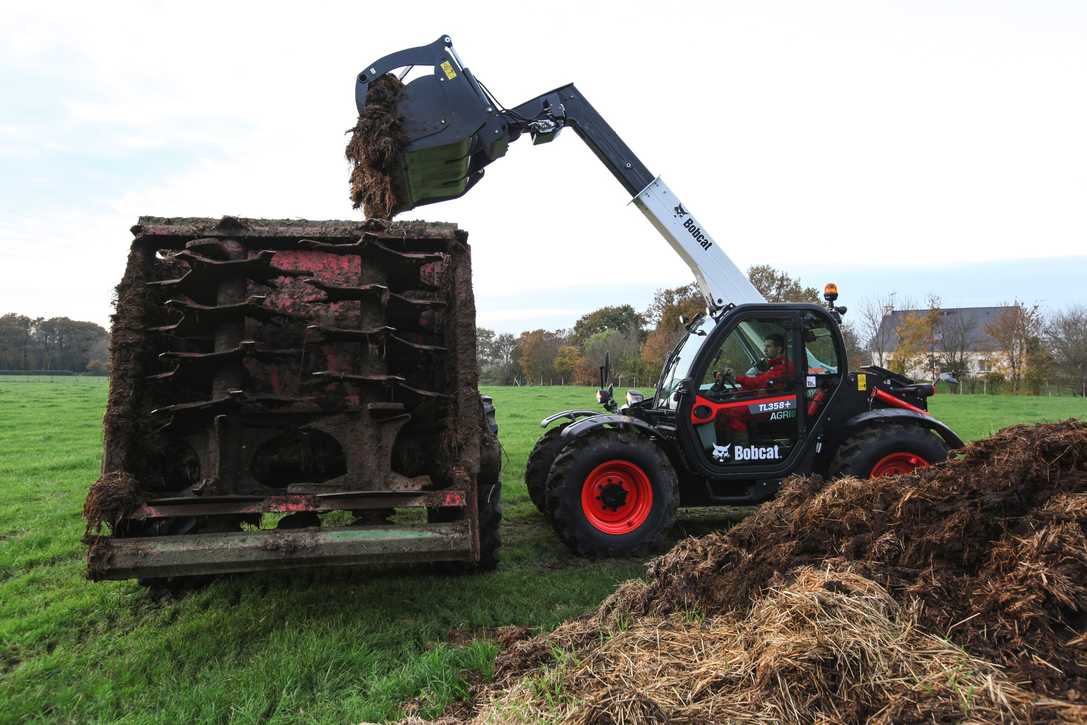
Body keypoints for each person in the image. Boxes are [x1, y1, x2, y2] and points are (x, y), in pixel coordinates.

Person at [712, 333, 795, 446]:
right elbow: (759, 382)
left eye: (768, 346)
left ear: (779, 349)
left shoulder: (784, 367)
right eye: (764, 346)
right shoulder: (772, 365)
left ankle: (741, 449)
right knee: (725, 406)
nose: (764, 349)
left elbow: (759, 382)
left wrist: (736, 378)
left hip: (774, 405)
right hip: (766, 401)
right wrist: (736, 392)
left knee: (732, 412)